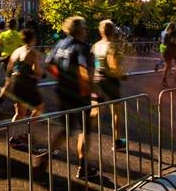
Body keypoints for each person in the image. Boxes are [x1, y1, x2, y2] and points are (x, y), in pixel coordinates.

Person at [39, 16, 96, 179]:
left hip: (63, 92)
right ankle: (83, 167)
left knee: (67, 129)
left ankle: (48, 155)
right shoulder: (82, 47)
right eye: (84, 28)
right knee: (85, 130)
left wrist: (62, 77)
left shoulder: (60, 44)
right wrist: (92, 92)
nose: (86, 31)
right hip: (80, 94)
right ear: (79, 30)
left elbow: (48, 63)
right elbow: (85, 70)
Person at [0, 28, 45, 149]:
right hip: (27, 83)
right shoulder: (32, 52)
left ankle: (13, 137)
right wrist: (41, 74)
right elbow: (36, 70)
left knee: (19, 112)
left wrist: (7, 84)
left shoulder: (16, 51)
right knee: (39, 107)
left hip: (15, 82)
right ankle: (26, 131)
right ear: (33, 39)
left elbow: (9, 68)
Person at [91, 19, 126, 148]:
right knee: (116, 111)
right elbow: (114, 66)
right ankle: (116, 141)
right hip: (110, 81)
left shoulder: (96, 45)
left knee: (95, 111)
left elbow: (94, 63)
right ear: (112, 31)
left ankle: (85, 134)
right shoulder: (112, 46)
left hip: (97, 79)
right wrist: (122, 75)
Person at [160, 23, 176, 87]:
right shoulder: (174, 34)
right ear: (174, 28)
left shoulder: (166, 34)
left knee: (167, 66)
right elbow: (174, 42)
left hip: (167, 50)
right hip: (174, 51)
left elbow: (163, 43)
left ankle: (164, 80)